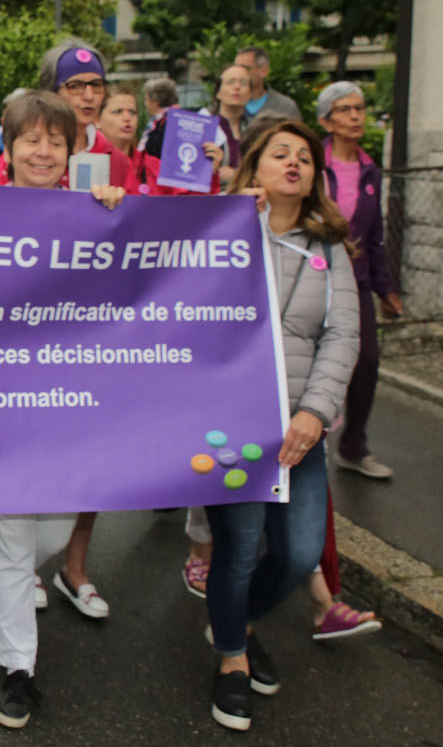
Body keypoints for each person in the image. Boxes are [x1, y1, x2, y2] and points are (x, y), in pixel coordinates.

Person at [0, 91, 126, 730]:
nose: (42, 150)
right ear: (8, 147)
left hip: (65, 408)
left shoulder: (91, 212)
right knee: (10, 544)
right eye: (30, 139)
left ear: (71, 151)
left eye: (55, 142)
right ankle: (18, 672)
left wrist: (117, 214)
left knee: (55, 535)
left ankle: (0, 576)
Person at [206, 120, 360, 732]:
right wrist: (225, 216)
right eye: (280, 153)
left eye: (305, 157)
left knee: (298, 555)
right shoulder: (221, 229)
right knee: (240, 549)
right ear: (255, 167)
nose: (295, 162)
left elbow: (343, 333)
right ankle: (231, 661)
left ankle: (234, 621)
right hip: (231, 425)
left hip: (300, 430)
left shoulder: (328, 249)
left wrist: (314, 412)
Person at [315, 82, 403, 479]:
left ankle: (353, 446)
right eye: (345, 110)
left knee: (366, 361)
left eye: (360, 108)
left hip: (358, 279)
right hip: (314, 277)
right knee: (310, 361)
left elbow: (376, 233)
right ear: (326, 120)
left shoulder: (370, 169)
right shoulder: (313, 163)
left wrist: (386, 288)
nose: (355, 116)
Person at [0, 40, 134, 191]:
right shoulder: (17, 161)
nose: (89, 96)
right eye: (75, 86)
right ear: (51, 91)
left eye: (96, 85)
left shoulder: (117, 161)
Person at [234, 46, 301, 122]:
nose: (238, 74)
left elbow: (293, 133)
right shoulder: (224, 106)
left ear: (263, 71)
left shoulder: (286, 107)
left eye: (244, 68)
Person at [139, 76, 179, 147]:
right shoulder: (180, 118)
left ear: (155, 100)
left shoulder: (161, 123)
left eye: (146, 99)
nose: (145, 104)